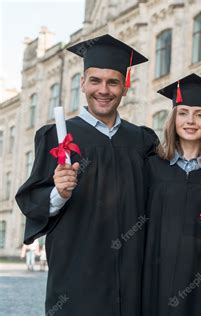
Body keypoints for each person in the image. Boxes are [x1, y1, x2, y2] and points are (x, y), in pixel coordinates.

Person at [16, 34, 158, 315]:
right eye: (95, 80)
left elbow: (166, 190)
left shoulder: (142, 141)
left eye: (112, 82)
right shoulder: (58, 137)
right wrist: (58, 193)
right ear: (83, 83)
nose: (103, 90)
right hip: (77, 282)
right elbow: (32, 200)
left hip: (132, 281)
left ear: (125, 87)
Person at [141, 73, 201, 316]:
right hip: (157, 283)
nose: (191, 121)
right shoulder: (151, 168)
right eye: (183, 113)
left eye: (199, 114)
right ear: (173, 119)